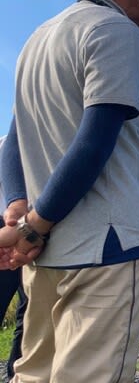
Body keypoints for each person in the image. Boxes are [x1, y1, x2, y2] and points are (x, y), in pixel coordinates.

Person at [0, 0, 139, 382]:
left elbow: (15, 136)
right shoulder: (117, 31)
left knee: (33, 370)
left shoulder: (38, 39)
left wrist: (17, 205)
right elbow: (95, 141)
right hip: (106, 247)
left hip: (46, 253)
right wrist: (35, 225)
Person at [0, 135, 26, 381]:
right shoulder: (8, 144)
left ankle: (15, 374)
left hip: (35, 228)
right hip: (6, 227)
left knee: (28, 312)